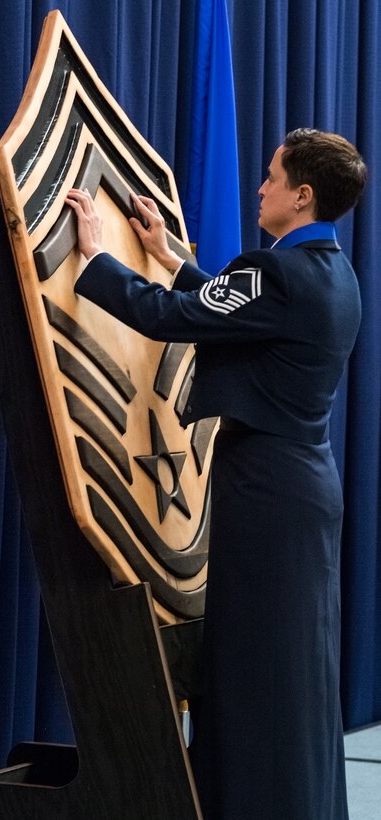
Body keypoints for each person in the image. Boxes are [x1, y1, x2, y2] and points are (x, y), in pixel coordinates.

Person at [65, 128, 366, 820]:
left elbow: (171, 318)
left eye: (272, 178)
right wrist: (173, 257)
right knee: (292, 670)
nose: (260, 188)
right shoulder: (332, 273)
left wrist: (96, 257)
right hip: (304, 488)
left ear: (302, 195)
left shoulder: (275, 272)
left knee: (256, 668)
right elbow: (243, 316)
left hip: (265, 492)